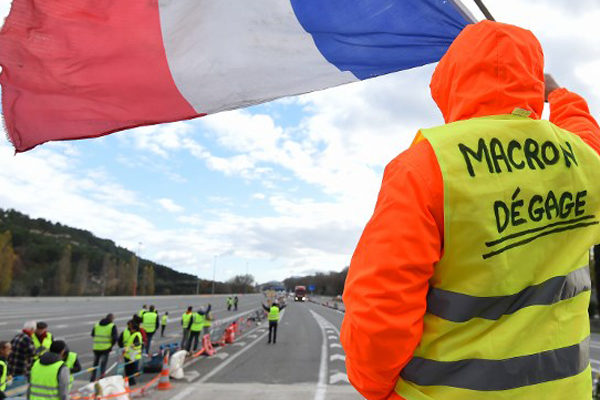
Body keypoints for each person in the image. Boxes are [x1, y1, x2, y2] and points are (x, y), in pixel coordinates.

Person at [340, 20, 600, 400]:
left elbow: (381, 305)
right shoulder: (580, 158)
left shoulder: (426, 167)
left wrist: (375, 387)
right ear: (533, 79)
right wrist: (560, 96)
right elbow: (585, 133)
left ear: (451, 80)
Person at [90, 313, 117, 382]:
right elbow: (115, 338)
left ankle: (92, 379)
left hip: (96, 347)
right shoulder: (112, 326)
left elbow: (92, 334)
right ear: (111, 319)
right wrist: (111, 346)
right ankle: (101, 379)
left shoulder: (97, 325)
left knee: (95, 364)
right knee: (103, 365)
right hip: (106, 348)